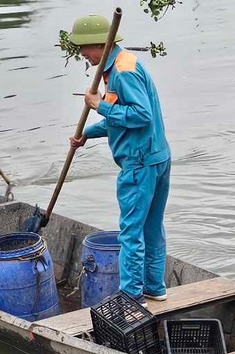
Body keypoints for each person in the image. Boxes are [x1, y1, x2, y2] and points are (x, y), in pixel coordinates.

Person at [66, 14, 171, 303]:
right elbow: (123, 117)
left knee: (131, 232)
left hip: (139, 164)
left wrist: (99, 105)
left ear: (99, 45)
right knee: (151, 228)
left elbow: (140, 115)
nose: (82, 55)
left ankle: (132, 296)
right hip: (156, 157)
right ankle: (154, 288)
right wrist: (89, 133)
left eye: (84, 49)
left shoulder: (123, 73)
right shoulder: (121, 65)